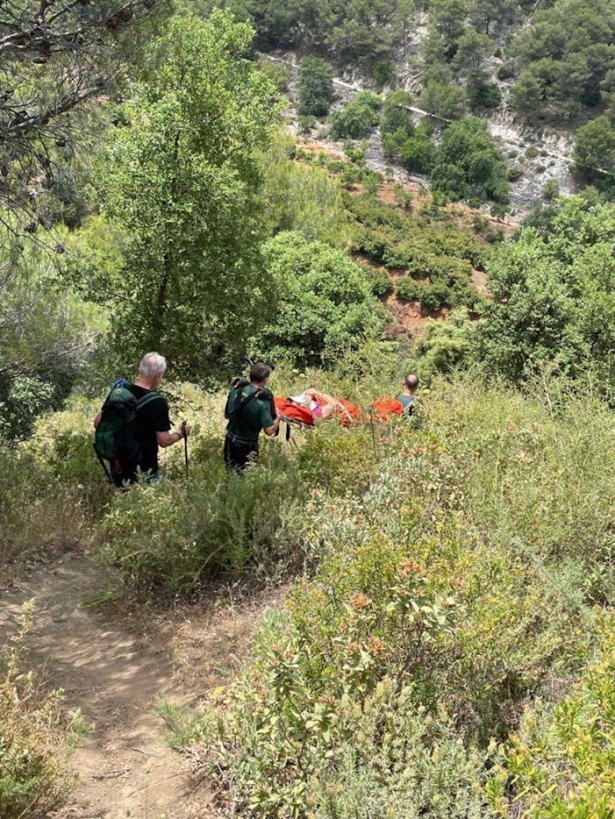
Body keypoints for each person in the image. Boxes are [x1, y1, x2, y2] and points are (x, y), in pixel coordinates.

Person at [94, 352, 190, 486]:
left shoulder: (120, 392)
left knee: (123, 502)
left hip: (118, 466)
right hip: (144, 471)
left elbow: (97, 422)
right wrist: (181, 434)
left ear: (140, 369)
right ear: (158, 376)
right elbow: (164, 440)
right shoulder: (157, 402)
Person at [224, 361, 281, 471]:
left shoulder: (236, 391)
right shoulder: (263, 402)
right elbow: (269, 431)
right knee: (246, 477)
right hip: (247, 445)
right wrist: (278, 418)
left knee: (230, 474)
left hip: (230, 441)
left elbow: (227, 415)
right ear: (265, 380)